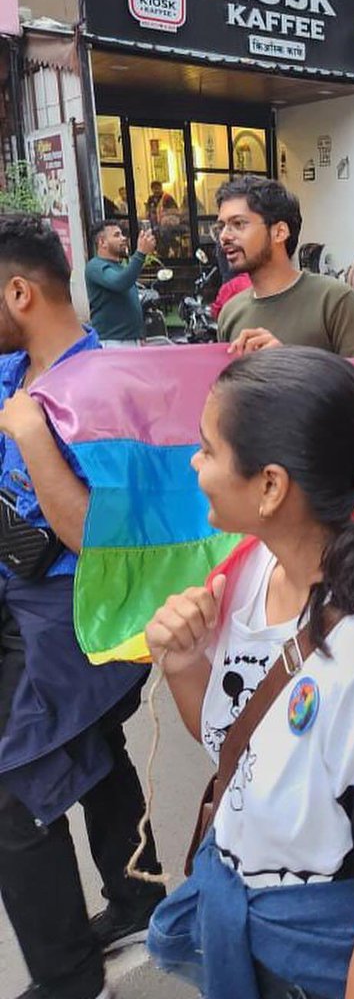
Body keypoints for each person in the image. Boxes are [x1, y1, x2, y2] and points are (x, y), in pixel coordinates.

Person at [144, 348, 354, 999]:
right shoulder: (246, 575)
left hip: (328, 962)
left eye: (207, 448)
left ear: (271, 486)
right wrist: (187, 665)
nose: (195, 463)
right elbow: (233, 753)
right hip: (247, 926)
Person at [0, 215, 164, 999]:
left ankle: (68, 977)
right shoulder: (15, 370)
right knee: (94, 751)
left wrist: (32, 437)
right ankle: (137, 895)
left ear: (20, 292)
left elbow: (97, 537)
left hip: (82, 613)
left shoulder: (99, 389)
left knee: (15, 784)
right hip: (20, 600)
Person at [215, 176, 354, 358]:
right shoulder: (230, 313)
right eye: (221, 227)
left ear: (279, 232)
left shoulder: (334, 300)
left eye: (238, 224)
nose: (224, 236)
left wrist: (289, 364)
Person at [84, 220, 156, 346]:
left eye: (122, 234)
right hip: (112, 342)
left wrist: (140, 335)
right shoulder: (95, 266)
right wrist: (140, 254)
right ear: (102, 242)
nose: (123, 239)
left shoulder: (120, 267)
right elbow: (120, 283)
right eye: (117, 235)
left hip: (132, 341)